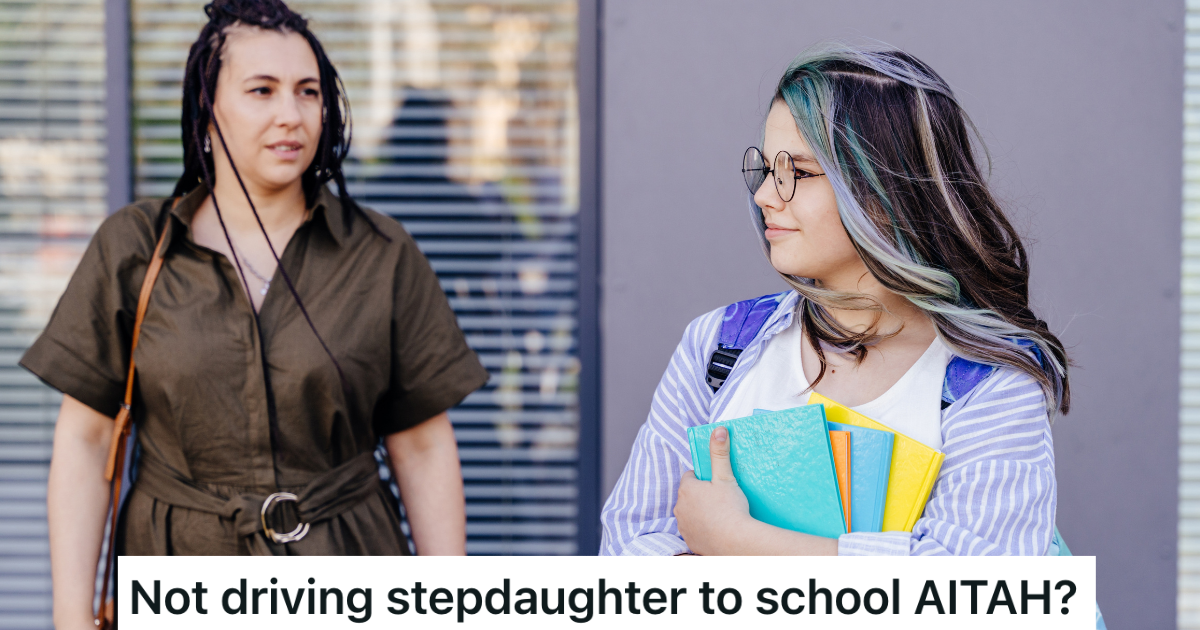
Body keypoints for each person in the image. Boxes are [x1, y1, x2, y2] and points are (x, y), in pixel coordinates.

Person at [21, 0, 489, 626]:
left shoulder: (380, 253)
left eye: (308, 92)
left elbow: (424, 446)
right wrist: (71, 617)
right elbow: (85, 441)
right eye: (261, 91)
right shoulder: (135, 247)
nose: (290, 115)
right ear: (208, 109)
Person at [600, 44, 1069, 558]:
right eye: (765, 168)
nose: (764, 196)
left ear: (886, 189)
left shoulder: (993, 382)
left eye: (797, 172)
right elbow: (629, 551)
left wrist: (736, 541)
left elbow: (971, 595)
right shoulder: (717, 345)